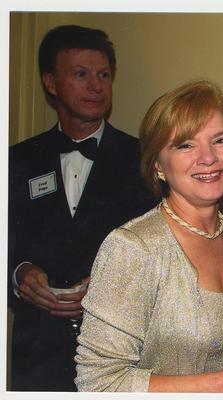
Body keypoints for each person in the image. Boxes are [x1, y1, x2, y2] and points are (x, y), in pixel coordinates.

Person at [74, 80, 223, 393]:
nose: (208, 157)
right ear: (158, 166)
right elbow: (97, 383)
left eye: (219, 140)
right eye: (185, 145)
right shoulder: (133, 248)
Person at [8, 25, 157, 391]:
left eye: (103, 75)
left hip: (119, 353)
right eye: (81, 74)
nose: (96, 86)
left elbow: (166, 254)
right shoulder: (16, 160)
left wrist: (110, 287)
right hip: (36, 360)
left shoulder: (146, 158)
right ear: (50, 82)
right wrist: (18, 273)